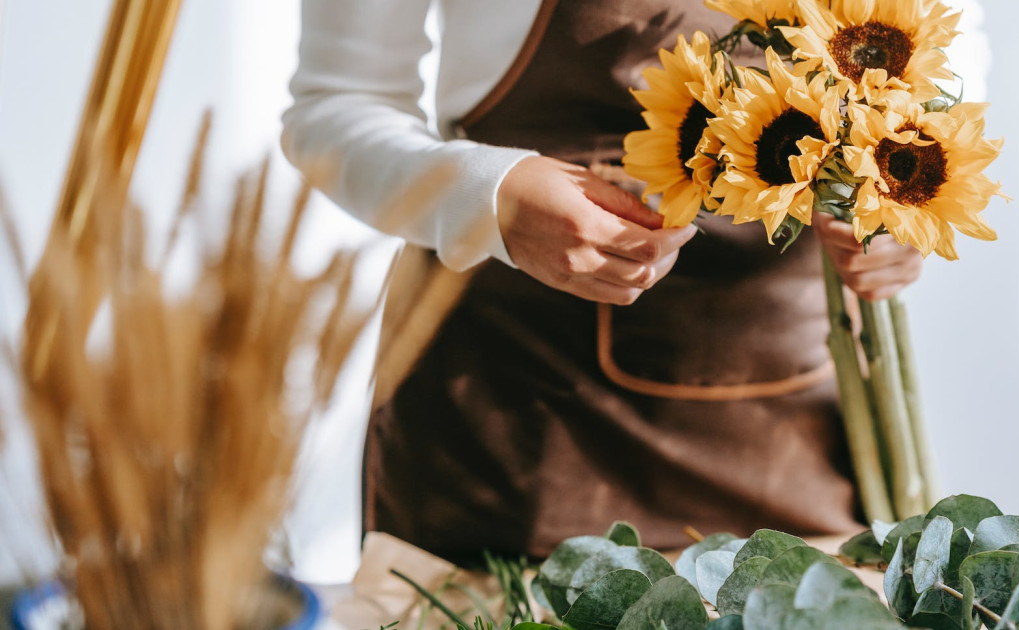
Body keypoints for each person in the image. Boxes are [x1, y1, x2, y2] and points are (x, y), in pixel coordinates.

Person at [282, 0, 924, 563]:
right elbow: (335, 104)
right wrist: (491, 197)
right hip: (517, 410)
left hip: (796, 413)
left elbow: (936, 36)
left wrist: (907, 190)